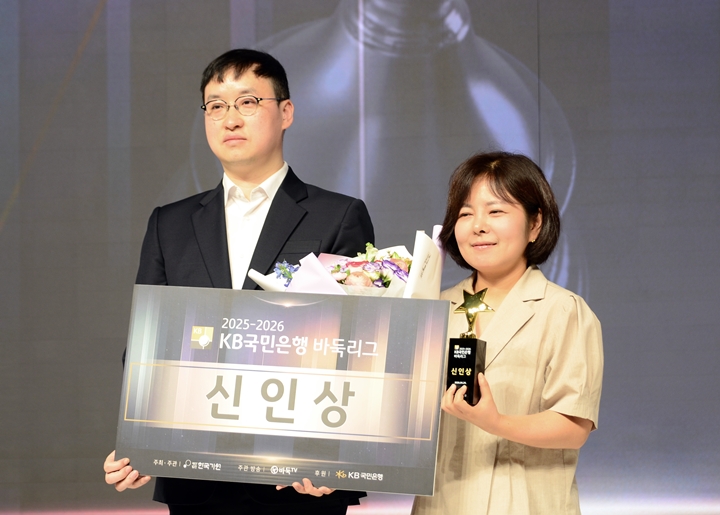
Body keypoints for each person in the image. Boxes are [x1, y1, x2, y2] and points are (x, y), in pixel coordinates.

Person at [103, 49, 373, 514]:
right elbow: (146, 346)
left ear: (285, 112)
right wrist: (141, 441)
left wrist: (334, 462)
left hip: (298, 480)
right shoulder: (170, 223)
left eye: (247, 102)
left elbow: (357, 346)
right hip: (195, 478)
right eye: (215, 106)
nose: (229, 119)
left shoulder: (338, 215)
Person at [412, 152, 603, 515]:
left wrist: (497, 423)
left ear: (535, 224)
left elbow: (574, 426)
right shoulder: (430, 309)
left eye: (496, 211)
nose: (478, 226)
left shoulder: (563, 310)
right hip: (442, 504)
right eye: (465, 213)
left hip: (527, 504)